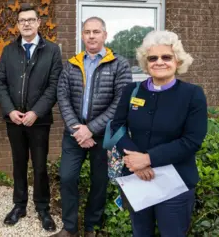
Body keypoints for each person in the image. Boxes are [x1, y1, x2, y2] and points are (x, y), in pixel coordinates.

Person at [110, 30, 207, 236]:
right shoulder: (132, 91)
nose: (159, 62)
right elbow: (117, 127)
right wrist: (134, 161)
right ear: (146, 63)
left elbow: (192, 141)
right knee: (140, 233)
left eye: (166, 57)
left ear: (178, 61)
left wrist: (147, 159)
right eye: (153, 58)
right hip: (137, 179)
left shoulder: (193, 95)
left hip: (175, 184)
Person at [54, 17, 132, 237]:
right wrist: (77, 128)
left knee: (99, 182)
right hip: (74, 135)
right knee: (68, 177)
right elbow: (63, 96)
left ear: (105, 35)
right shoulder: (71, 64)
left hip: (103, 136)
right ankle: (69, 228)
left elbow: (120, 102)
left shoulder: (119, 64)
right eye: (87, 32)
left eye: (96, 32)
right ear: (82, 35)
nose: (91, 36)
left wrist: (92, 129)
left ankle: (91, 226)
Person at [0, 4, 62, 232]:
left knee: (40, 166)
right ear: (17, 24)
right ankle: (19, 205)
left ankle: (42, 207)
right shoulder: (8, 50)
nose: (26, 23)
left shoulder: (52, 51)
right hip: (14, 120)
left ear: (38, 23)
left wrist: (36, 112)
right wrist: (10, 110)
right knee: (18, 164)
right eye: (22, 20)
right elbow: (0, 83)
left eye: (30, 20)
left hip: (39, 121)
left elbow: (54, 86)